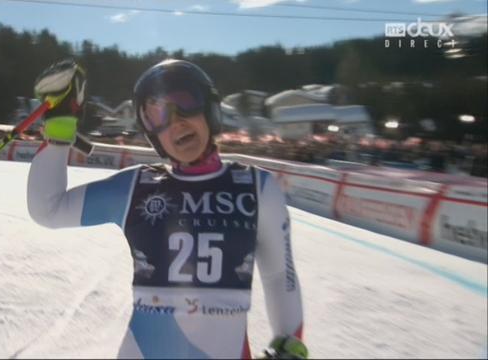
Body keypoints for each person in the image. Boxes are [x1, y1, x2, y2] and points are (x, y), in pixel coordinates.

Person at [27, 59, 307, 359]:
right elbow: (48, 209)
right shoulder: (136, 188)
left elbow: (279, 276)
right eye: (157, 115)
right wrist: (59, 128)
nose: (176, 122)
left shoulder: (257, 189)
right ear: (152, 134)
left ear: (210, 108)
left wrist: (288, 342)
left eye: (185, 102)